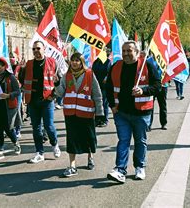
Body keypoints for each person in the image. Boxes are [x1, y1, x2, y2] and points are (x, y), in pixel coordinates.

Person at [106, 41, 161, 183]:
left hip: (142, 112)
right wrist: (112, 105)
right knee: (123, 141)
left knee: (140, 141)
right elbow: (108, 87)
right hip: (121, 112)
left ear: (137, 52)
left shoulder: (147, 65)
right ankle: (120, 170)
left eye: (129, 51)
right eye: (124, 51)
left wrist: (143, 91)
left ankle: (140, 167)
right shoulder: (116, 66)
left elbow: (157, 86)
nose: (125, 54)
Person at [55, 53, 104, 177]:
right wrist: (56, 84)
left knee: (89, 137)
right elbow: (60, 93)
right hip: (70, 114)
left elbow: (97, 95)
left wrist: (100, 113)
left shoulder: (89, 74)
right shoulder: (66, 76)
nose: (74, 63)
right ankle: (72, 165)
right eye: (73, 60)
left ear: (82, 62)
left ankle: (90, 157)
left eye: (77, 60)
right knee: (71, 139)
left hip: (86, 113)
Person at [21, 41, 60, 164]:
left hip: (47, 100)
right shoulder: (29, 64)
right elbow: (22, 80)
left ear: (44, 49)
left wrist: (53, 95)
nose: (36, 51)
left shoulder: (52, 62)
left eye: (38, 48)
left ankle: (55, 144)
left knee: (49, 126)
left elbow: (59, 83)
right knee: (36, 128)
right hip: (32, 100)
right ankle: (39, 153)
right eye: (33, 49)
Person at [0, 57, 21, 161]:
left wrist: (8, 95)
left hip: (8, 106)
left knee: (8, 128)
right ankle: (0, 151)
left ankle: (15, 142)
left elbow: (18, 91)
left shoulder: (10, 77)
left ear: (4, 66)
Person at [92, 50, 112, 127]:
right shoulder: (96, 62)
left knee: (104, 103)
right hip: (96, 86)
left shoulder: (108, 62)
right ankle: (97, 120)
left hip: (104, 86)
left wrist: (106, 77)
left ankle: (105, 120)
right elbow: (92, 72)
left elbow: (110, 72)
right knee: (97, 103)